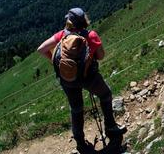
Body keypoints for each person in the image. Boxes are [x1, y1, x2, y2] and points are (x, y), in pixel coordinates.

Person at [37, 8, 126, 153]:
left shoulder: (62, 35)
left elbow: (41, 49)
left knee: (76, 108)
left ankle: (80, 143)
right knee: (105, 95)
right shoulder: (90, 35)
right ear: (84, 20)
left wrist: (57, 63)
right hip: (88, 77)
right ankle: (110, 127)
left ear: (69, 21)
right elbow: (101, 55)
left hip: (67, 80)